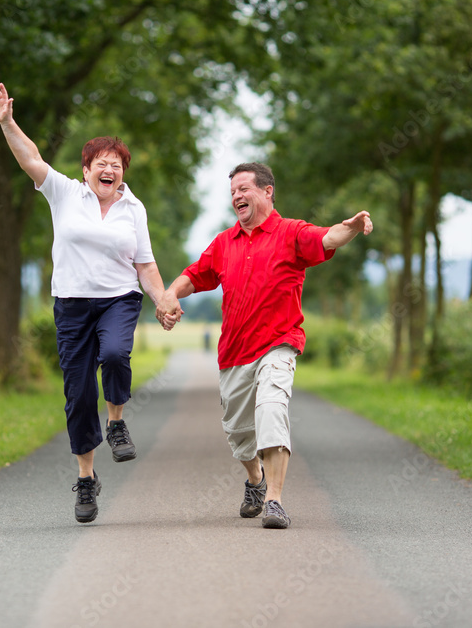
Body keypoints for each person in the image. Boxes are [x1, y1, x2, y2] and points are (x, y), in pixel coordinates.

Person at [0, 83, 169, 524]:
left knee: (114, 354)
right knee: (79, 393)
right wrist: (8, 121)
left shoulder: (133, 208)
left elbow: (145, 264)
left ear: (124, 172)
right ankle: (86, 479)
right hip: (70, 304)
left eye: (117, 165)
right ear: (85, 169)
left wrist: (162, 300)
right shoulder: (64, 193)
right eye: (102, 164)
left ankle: (118, 421)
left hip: (119, 298)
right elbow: (31, 158)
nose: (111, 171)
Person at [157, 162, 373, 529]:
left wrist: (351, 228)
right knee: (239, 433)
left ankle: (274, 500)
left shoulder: (291, 233)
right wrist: (169, 294)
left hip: (278, 343)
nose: (237, 197)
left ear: (267, 191)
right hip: (234, 353)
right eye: (232, 193)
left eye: (243, 189)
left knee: (272, 409)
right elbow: (194, 275)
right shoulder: (225, 243)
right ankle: (255, 481)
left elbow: (327, 238)